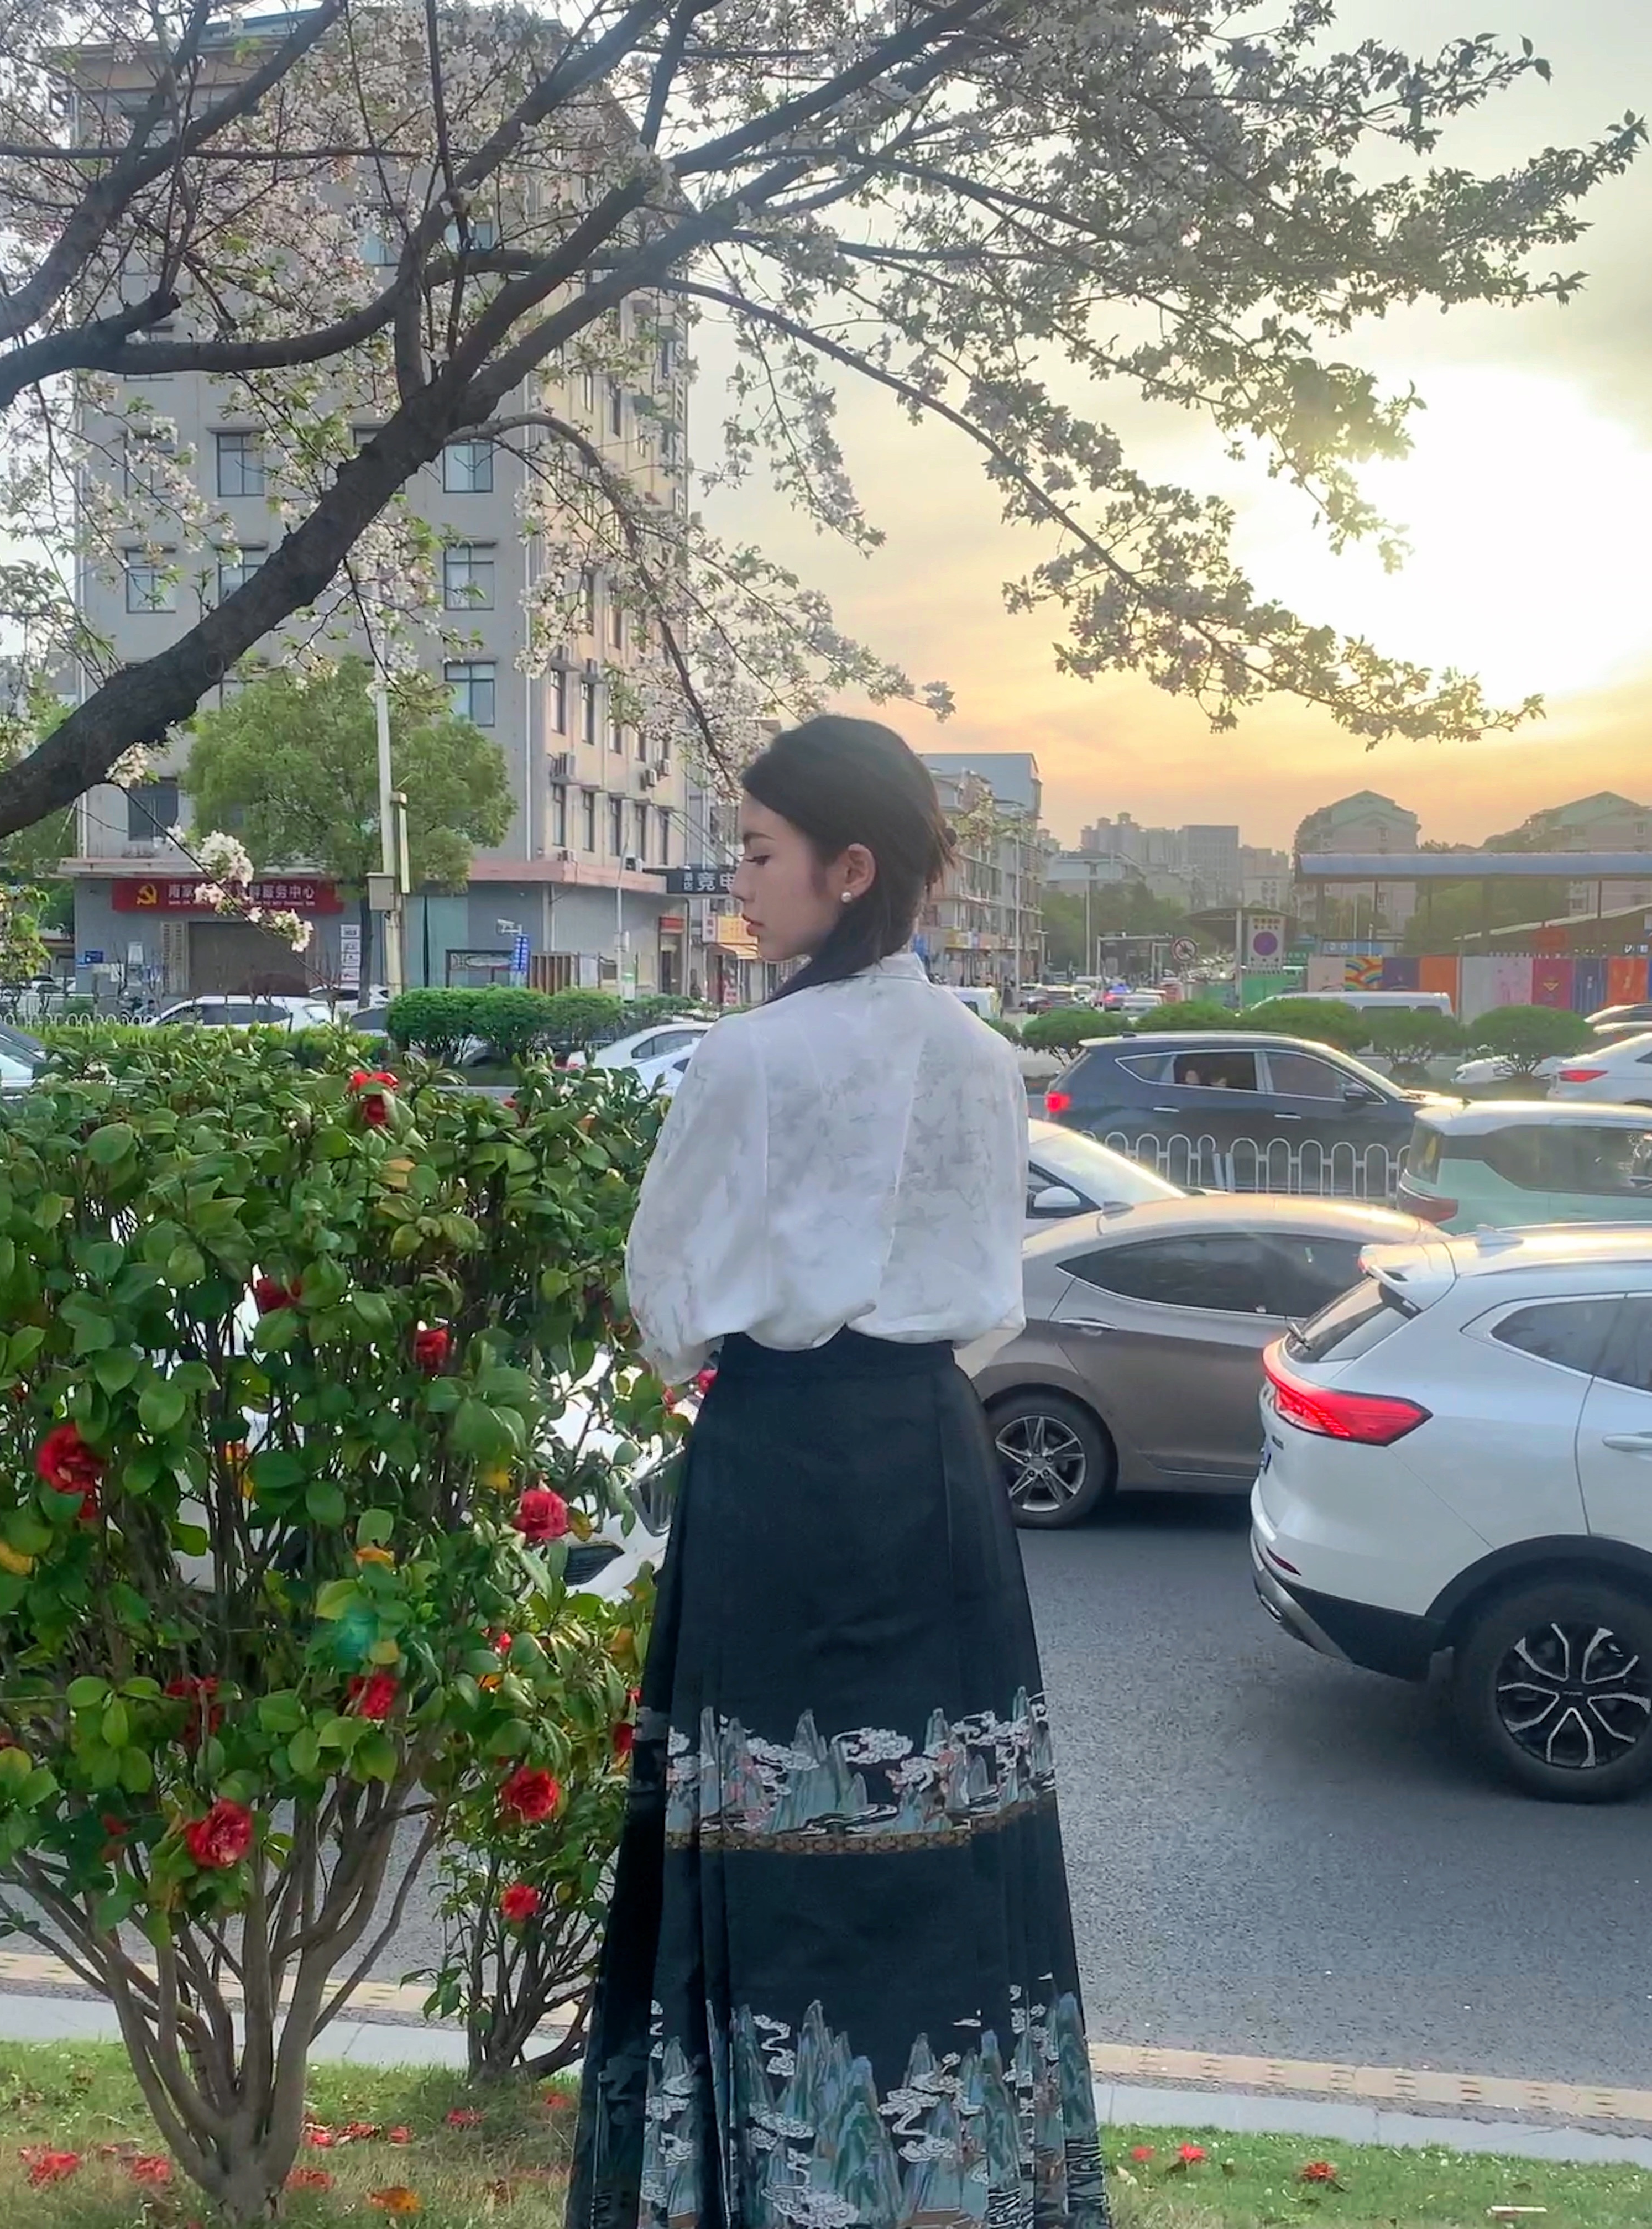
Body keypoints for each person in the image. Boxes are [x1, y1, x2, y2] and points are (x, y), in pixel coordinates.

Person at [567, 716, 1109, 2229]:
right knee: (956, 1839)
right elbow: (985, 1293)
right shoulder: (986, 1061)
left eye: (757, 853)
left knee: (769, 1847)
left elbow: (672, 1305)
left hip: (784, 1465)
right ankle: (963, 2188)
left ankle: (758, 2185)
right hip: (935, 1466)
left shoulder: (746, 1058)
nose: (739, 883)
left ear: (849, 868)